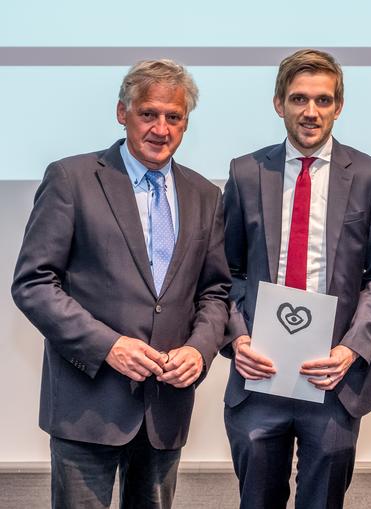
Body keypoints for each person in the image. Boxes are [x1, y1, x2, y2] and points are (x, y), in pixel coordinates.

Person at [11, 59, 231, 508]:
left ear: (186, 122)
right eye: (148, 113)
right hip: (86, 406)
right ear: (122, 113)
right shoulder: (72, 179)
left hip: (165, 408)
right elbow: (33, 282)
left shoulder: (205, 195)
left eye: (174, 117)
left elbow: (214, 291)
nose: (160, 128)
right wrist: (108, 345)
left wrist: (199, 349)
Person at [221, 49, 371, 509]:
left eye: (323, 100)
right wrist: (238, 339)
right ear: (278, 103)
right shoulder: (245, 173)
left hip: (332, 378)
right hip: (259, 372)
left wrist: (351, 349)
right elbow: (227, 273)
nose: (311, 112)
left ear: (339, 106)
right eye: (299, 99)